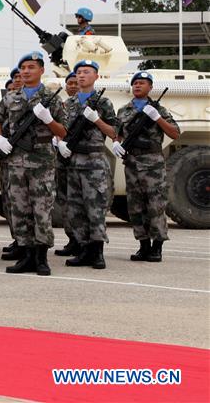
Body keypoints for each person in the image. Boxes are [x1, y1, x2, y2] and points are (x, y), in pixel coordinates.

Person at [0, 51, 67, 276]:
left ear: (41, 70)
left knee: (41, 211)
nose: (25, 71)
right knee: (19, 210)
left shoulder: (52, 98)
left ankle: (41, 258)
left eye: (31, 67)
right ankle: (25, 256)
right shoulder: (11, 97)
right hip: (15, 161)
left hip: (41, 162)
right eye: (23, 67)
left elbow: (63, 132)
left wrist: (48, 119)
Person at [57, 60, 118, 269]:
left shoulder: (104, 103)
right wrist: (61, 144)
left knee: (95, 209)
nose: (82, 76)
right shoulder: (69, 103)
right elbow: (62, 130)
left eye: (87, 72)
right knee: (75, 210)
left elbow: (115, 132)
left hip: (94, 162)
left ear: (96, 76)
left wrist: (97, 120)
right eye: (79, 72)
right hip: (72, 162)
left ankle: (97, 252)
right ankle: (83, 249)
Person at [113, 71, 180, 262]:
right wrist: (116, 143)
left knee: (156, 206)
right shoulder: (123, 111)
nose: (137, 86)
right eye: (135, 83)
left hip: (152, 164)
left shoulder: (159, 109)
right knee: (136, 206)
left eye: (142, 83)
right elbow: (117, 133)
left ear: (150, 87)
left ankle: (157, 247)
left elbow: (175, 133)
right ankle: (143, 245)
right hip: (132, 163)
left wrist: (157, 117)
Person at [53, 71, 81, 257]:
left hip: (82, 157)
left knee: (81, 202)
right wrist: (58, 141)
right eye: (69, 83)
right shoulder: (63, 105)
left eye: (75, 82)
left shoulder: (91, 103)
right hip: (64, 159)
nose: (72, 86)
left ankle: (83, 241)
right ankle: (72, 239)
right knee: (65, 201)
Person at [0, 68, 24, 260]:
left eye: (20, 77)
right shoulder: (8, 101)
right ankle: (17, 239)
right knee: (11, 202)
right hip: (7, 159)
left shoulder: (37, 101)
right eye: (15, 78)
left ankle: (28, 245)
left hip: (29, 159)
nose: (17, 80)